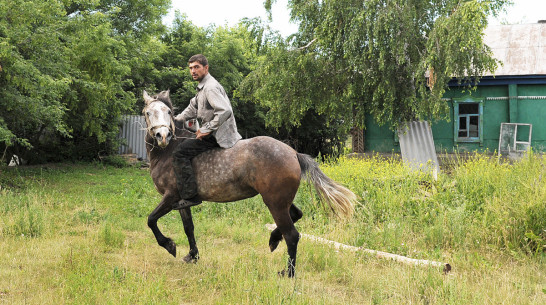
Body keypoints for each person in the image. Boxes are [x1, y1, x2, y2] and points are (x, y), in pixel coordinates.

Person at [172, 54, 242, 209]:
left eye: (196, 67)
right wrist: (176, 120)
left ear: (206, 68)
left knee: (180, 152)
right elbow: (192, 108)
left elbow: (225, 111)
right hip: (213, 132)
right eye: (190, 68)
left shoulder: (210, 87)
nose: (193, 71)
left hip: (217, 136)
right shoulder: (203, 87)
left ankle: (190, 196)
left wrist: (206, 129)